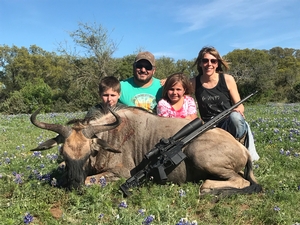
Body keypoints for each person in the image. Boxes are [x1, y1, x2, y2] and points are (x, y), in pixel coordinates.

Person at [190, 46, 259, 161]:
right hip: (208, 126)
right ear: (200, 63)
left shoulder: (227, 79)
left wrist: (238, 111)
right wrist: (168, 80)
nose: (209, 64)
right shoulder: (193, 82)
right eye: (205, 60)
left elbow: (240, 105)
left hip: (228, 122)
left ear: (217, 64)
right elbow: (180, 91)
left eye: (213, 61)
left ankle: (238, 149)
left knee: (235, 117)